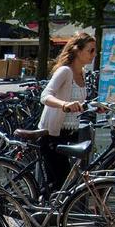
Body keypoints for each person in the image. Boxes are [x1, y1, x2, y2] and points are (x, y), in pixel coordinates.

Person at [37, 32, 96, 195]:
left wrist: (94, 107)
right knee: (60, 182)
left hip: (71, 133)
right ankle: (46, 216)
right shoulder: (65, 71)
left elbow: (77, 101)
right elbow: (45, 96)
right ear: (78, 51)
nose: (94, 54)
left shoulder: (82, 73)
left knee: (67, 181)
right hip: (53, 134)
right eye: (91, 50)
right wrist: (64, 105)